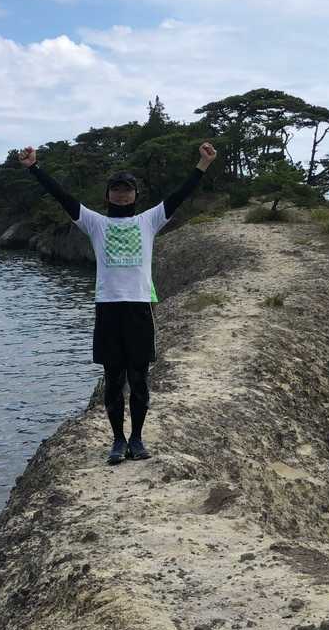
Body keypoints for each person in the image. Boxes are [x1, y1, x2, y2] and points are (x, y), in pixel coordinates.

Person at [20, 141, 218, 465]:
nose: (122, 194)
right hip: (108, 307)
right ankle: (117, 440)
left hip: (139, 307)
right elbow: (62, 196)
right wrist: (34, 168)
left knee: (138, 378)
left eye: (127, 190)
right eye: (116, 189)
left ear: (136, 195)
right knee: (113, 379)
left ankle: (137, 438)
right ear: (108, 195)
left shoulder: (149, 221)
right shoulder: (95, 223)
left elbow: (180, 195)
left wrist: (203, 165)